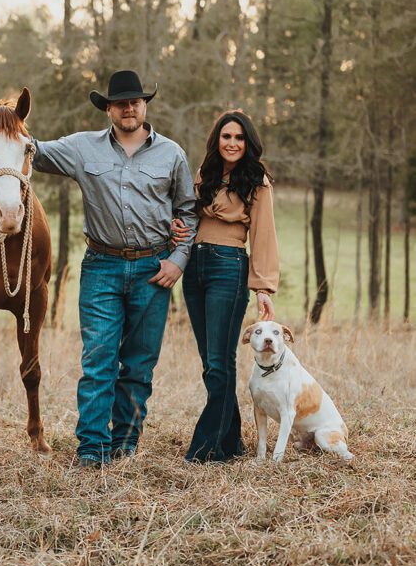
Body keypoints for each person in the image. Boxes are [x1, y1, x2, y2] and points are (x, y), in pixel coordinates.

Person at [32, 70, 197, 468]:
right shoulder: (81, 148)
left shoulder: (171, 153)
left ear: (145, 106)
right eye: (121, 102)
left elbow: (188, 212)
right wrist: (1, 120)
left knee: (139, 364)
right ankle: (92, 448)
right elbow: (30, 150)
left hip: (153, 269)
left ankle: (125, 444)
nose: (129, 107)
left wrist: (178, 261)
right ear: (108, 108)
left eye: (136, 101)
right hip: (102, 266)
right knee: (98, 359)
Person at [171, 110, 279, 463]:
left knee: (220, 362)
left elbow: (264, 235)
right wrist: (176, 229)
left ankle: (205, 449)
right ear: (217, 140)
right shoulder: (206, 174)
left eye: (239, 138)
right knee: (211, 363)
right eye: (226, 136)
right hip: (195, 267)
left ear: (247, 143)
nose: (232, 143)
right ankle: (231, 441)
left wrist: (263, 287)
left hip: (228, 266)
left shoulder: (256, 180)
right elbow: (188, 216)